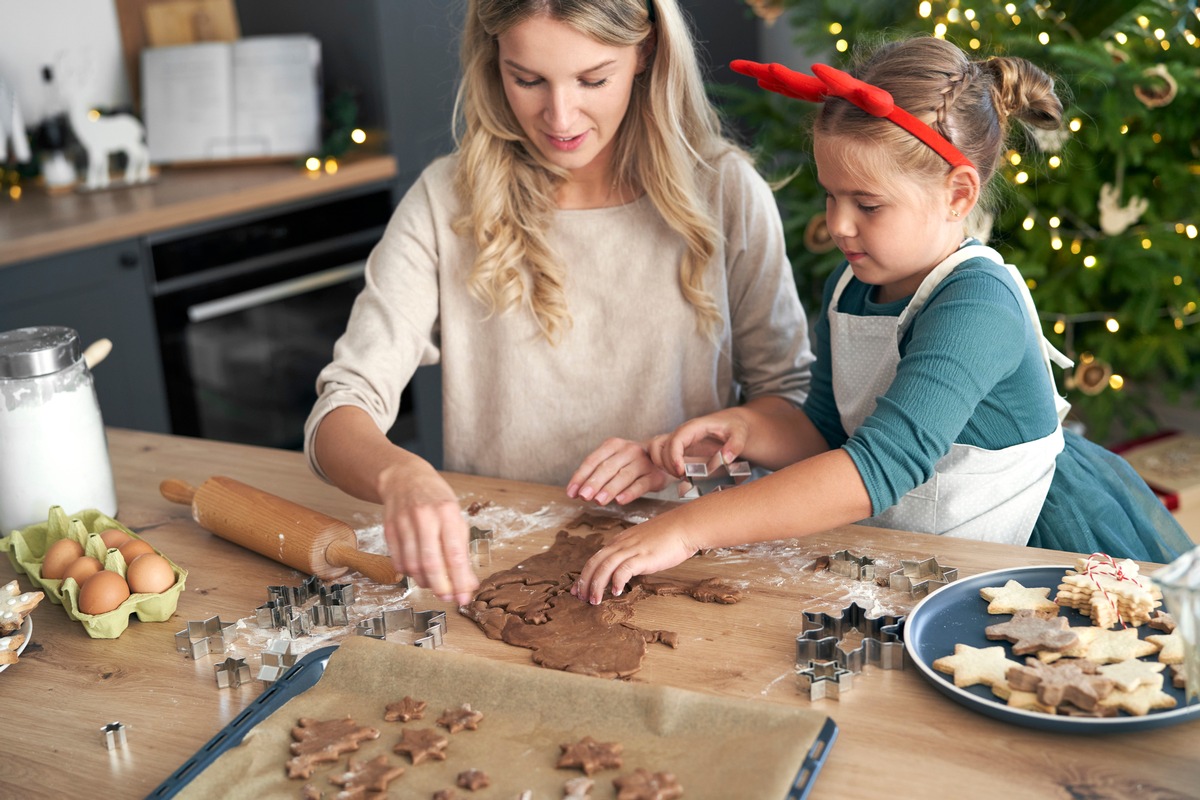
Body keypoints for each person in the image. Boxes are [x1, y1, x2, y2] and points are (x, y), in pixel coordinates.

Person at [572, 35, 1193, 605]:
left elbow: (877, 468)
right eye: (830, 195)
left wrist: (688, 528)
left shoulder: (977, 306)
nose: (839, 225)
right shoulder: (852, 285)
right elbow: (824, 428)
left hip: (1035, 548)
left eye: (868, 204)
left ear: (957, 195)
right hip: (935, 552)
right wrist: (738, 428)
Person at [304, 0, 814, 604]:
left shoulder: (725, 192)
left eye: (593, 79)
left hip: (685, 566)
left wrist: (688, 460)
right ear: (495, 62)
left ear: (646, 53)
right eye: (528, 80)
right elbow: (340, 411)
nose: (560, 115)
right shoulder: (446, 202)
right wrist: (402, 475)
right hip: (498, 570)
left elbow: (796, 422)